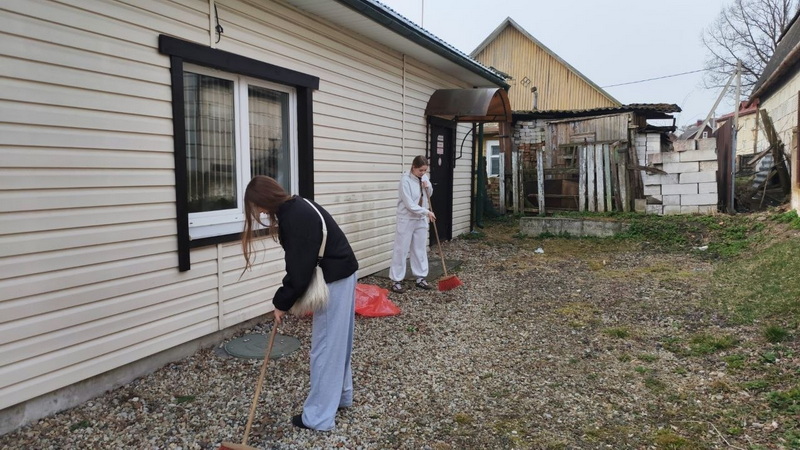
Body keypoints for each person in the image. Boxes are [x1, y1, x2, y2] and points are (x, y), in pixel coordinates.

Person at [241, 175, 359, 431]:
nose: (258, 212)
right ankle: (341, 397)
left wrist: (281, 302)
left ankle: (318, 417)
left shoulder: (294, 217)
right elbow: (302, 263)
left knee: (325, 347)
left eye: (255, 206)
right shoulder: (297, 205)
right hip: (343, 272)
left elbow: (299, 269)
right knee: (338, 343)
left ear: (262, 201)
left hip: (335, 279)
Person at [388, 155, 436, 293]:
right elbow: (409, 204)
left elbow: (429, 194)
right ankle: (396, 280)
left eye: (425, 170)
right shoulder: (405, 180)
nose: (423, 173)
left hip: (420, 219)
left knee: (419, 249)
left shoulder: (424, 177)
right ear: (413, 167)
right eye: (420, 170)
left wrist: (428, 186)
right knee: (401, 249)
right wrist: (426, 212)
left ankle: (420, 277)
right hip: (407, 218)